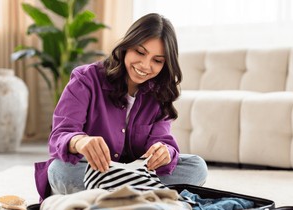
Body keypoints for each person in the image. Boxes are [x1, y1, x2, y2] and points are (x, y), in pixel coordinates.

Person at [34, 13, 208, 199]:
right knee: (60, 170)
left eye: (157, 60)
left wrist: (165, 152)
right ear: (127, 46)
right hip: (94, 170)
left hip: (134, 172)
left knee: (196, 167)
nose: (145, 65)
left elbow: (162, 141)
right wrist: (81, 141)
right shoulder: (85, 79)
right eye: (140, 52)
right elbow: (60, 135)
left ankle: (111, 197)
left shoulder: (159, 92)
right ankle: (139, 197)